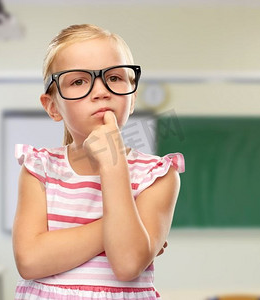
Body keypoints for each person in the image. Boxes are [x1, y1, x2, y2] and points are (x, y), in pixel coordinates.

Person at [13, 24, 185, 300]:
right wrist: (124, 226)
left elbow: (128, 263)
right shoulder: (39, 169)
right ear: (53, 107)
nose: (101, 91)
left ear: (132, 96)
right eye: (78, 81)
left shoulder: (158, 175)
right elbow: (30, 261)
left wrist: (113, 164)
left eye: (114, 77)